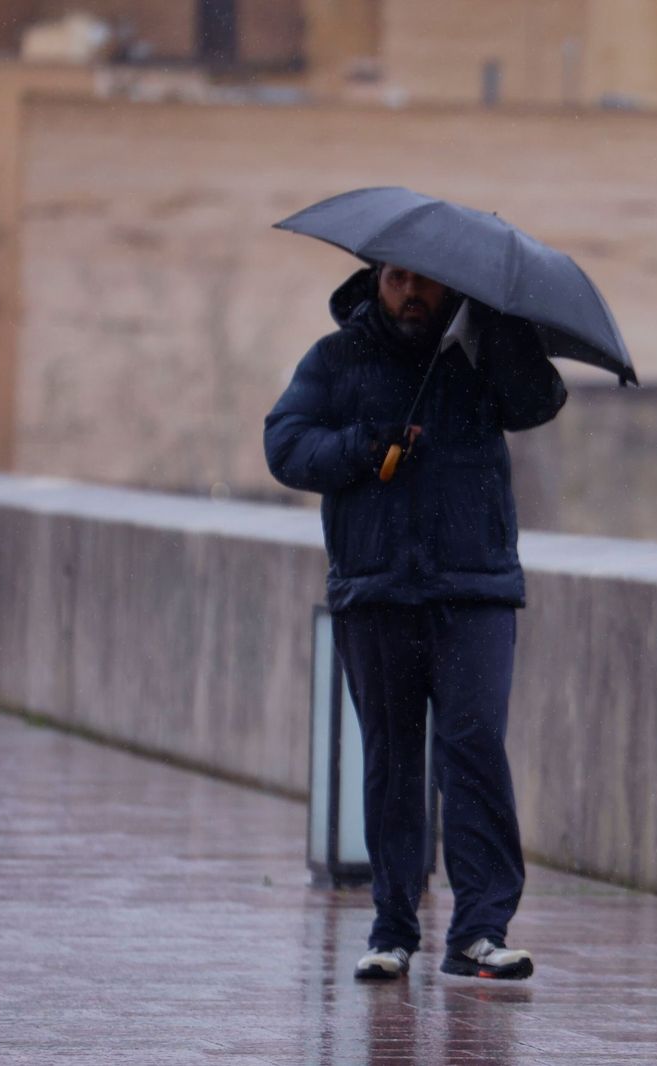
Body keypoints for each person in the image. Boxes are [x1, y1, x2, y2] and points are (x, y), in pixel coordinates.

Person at [264, 262, 566, 982]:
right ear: (375, 281)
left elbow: (539, 402)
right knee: (393, 761)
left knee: (474, 748)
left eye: (427, 283)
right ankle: (393, 927)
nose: (411, 295)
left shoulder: (480, 351)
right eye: (398, 280)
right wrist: (363, 448)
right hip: (376, 591)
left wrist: (502, 331)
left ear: (452, 290)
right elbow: (285, 445)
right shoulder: (336, 360)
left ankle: (481, 929)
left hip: (475, 590)